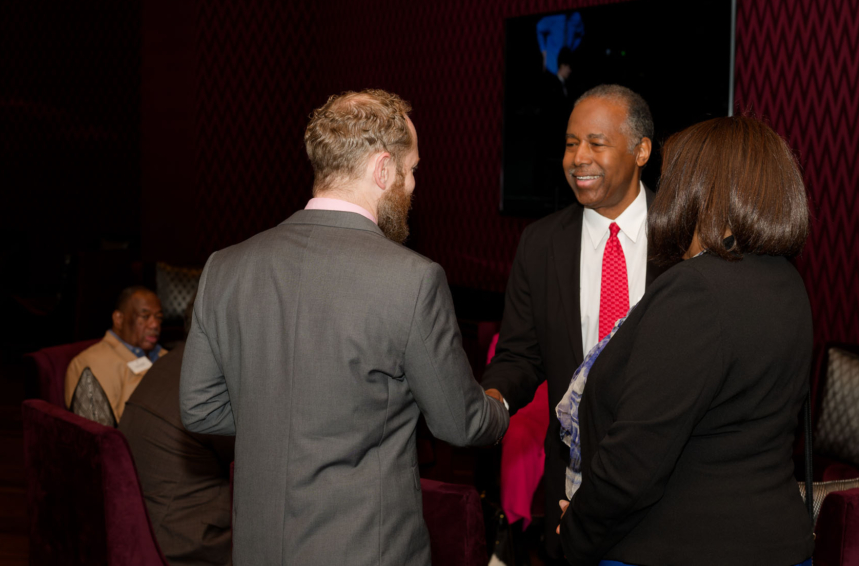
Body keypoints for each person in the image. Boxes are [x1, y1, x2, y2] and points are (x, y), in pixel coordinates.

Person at [180, 89, 509, 566]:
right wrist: (501, 407)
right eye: (412, 169)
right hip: (365, 550)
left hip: (257, 548)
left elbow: (199, 409)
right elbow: (460, 423)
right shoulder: (413, 279)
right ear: (383, 169)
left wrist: (284, 418)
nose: (413, 184)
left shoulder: (224, 267)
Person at [556, 116, 814, 566]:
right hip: (778, 544)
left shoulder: (696, 290)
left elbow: (634, 459)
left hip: (676, 548)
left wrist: (575, 532)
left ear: (698, 188)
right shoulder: (786, 283)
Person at [483, 84, 667, 559]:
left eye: (595, 143)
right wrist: (491, 402)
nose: (577, 158)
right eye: (570, 144)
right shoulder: (541, 243)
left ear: (641, 151)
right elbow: (520, 355)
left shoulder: (682, 237)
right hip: (571, 486)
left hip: (667, 484)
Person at [120, 298, 234, 566]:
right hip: (186, 541)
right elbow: (252, 460)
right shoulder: (212, 384)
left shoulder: (168, 361)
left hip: (139, 523)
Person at [64, 286, 166, 424]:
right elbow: (102, 431)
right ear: (119, 319)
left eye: (159, 317)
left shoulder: (168, 357)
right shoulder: (90, 363)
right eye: (145, 316)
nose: (155, 324)